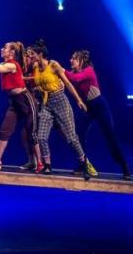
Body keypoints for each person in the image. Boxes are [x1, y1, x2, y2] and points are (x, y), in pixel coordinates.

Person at [0, 40, 45, 172]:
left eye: (4, 48)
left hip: (25, 100)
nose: (1, 49)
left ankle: (40, 163)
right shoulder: (6, 64)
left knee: (32, 133)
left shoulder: (12, 65)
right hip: (14, 102)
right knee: (5, 130)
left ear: (12, 52)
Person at [26, 40, 94, 176]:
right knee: (41, 136)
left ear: (40, 54)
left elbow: (67, 83)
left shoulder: (53, 64)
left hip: (60, 101)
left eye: (33, 54)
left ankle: (84, 164)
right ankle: (48, 165)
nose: (31, 56)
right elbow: (35, 80)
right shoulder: (35, 67)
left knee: (71, 137)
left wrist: (78, 100)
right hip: (46, 104)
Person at [62, 50, 132, 179]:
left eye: (74, 59)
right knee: (79, 135)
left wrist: (60, 70)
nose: (70, 60)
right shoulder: (72, 73)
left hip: (99, 106)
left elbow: (75, 79)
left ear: (81, 61)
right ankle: (82, 164)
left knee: (110, 136)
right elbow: (67, 81)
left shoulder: (89, 70)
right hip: (87, 108)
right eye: (71, 58)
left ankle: (124, 166)